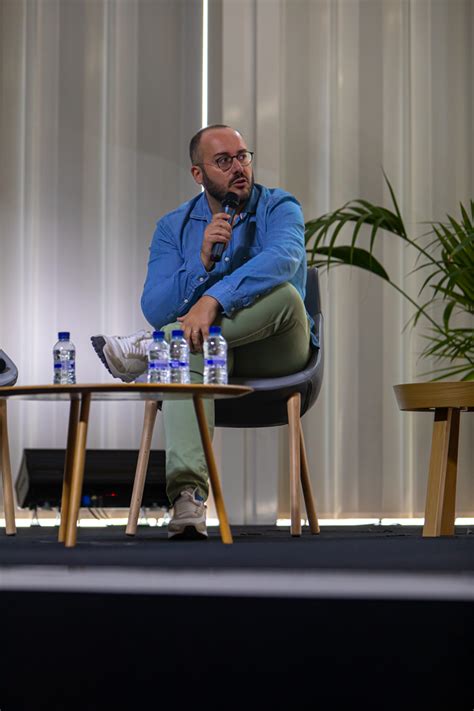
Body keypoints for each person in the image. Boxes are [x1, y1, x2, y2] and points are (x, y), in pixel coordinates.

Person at [91, 124, 318, 540]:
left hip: (277, 348)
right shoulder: (172, 227)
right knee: (188, 347)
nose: (239, 168)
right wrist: (199, 264)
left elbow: (284, 260)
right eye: (224, 160)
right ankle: (188, 499)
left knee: (285, 294)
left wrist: (213, 300)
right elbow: (155, 305)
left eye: (243, 156)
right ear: (198, 174)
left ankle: (152, 344)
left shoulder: (279, 206)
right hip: (211, 354)